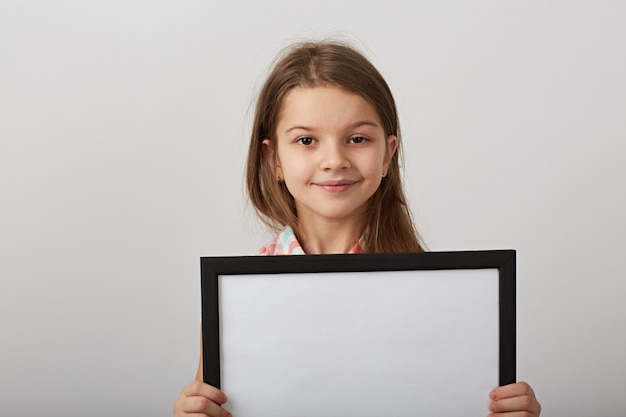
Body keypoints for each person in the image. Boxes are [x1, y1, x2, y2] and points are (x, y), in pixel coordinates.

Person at [173, 40, 541, 417]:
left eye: (358, 139)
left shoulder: (446, 299)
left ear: (387, 154)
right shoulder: (234, 304)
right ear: (274, 160)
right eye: (306, 140)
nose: (334, 160)